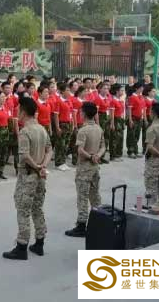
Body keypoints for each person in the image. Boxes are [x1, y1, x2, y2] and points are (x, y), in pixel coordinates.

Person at [3, 97, 51, 261]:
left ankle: (22, 246)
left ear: (23, 112)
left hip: (28, 176)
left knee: (23, 210)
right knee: (37, 208)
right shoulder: (41, 129)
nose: (17, 112)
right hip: (40, 176)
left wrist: (37, 167)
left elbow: (24, 155)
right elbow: (49, 150)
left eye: (19, 109)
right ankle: (40, 242)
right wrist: (43, 166)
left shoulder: (25, 131)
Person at [65, 102, 104, 238]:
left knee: (82, 196)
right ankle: (100, 221)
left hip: (84, 168)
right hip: (95, 167)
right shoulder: (99, 128)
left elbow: (80, 150)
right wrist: (97, 156)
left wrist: (90, 157)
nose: (80, 114)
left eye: (81, 112)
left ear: (84, 114)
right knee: (95, 195)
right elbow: (103, 146)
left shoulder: (83, 130)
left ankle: (81, 225)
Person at [126, 83, 145, 158]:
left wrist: (143, 118)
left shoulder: (141, 97)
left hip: (139, 118)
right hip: (133, 118)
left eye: (142, 88)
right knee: (131, 135)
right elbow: (129, 109)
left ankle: (135, 151)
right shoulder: (132, 97)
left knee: (137, 135)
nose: (142, 89)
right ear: (137, 88)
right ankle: (130, 151)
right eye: (141, 88)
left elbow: (142, 108)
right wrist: (130, 119)